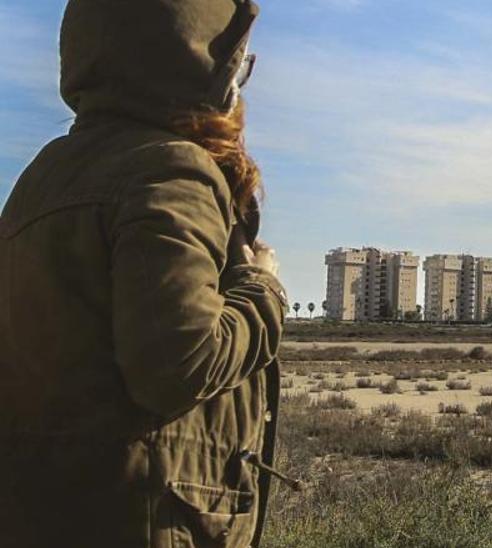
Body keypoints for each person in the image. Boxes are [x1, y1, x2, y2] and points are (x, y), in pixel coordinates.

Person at [0, 1, 288, 546]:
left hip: (43, 512)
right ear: (196, 62)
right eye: (236, 65)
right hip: (142, 519)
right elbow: (180, 362)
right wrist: (262, 288)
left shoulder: (44, 174)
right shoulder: (168, 168)